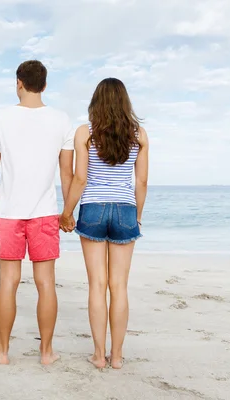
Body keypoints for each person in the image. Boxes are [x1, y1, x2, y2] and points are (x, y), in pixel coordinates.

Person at [0, 60, 75, 365]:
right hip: (45, 213)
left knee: (8, 281)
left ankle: (3, 352)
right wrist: (67, 211)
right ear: (44, 85)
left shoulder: (0, 119)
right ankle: (46, 352)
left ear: (18, 82)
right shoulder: (62, 120)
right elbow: (67, 173)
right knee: (46, 282)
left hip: (8, 212)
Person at [60, 78, 149, 370]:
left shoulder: (86, 133)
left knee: (97, 285)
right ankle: (118, 357)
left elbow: (80, 178)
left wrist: (67, 212)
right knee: (119, 286)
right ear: (125, 103)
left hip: (94, 208)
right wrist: (136, 216)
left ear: (96, 102)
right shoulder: (139, 135)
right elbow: (142, 181)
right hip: (125, 209)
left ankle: (99, 355)